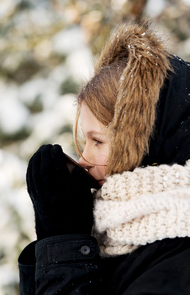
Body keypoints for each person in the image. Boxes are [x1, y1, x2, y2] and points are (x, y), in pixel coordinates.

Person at [18, 20, 190, 294]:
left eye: (98, 140)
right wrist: (57, 238)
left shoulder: (178, 259)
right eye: (85, 140)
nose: (84, 158)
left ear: (150, 142)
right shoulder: (112, 236)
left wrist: (64, 242)